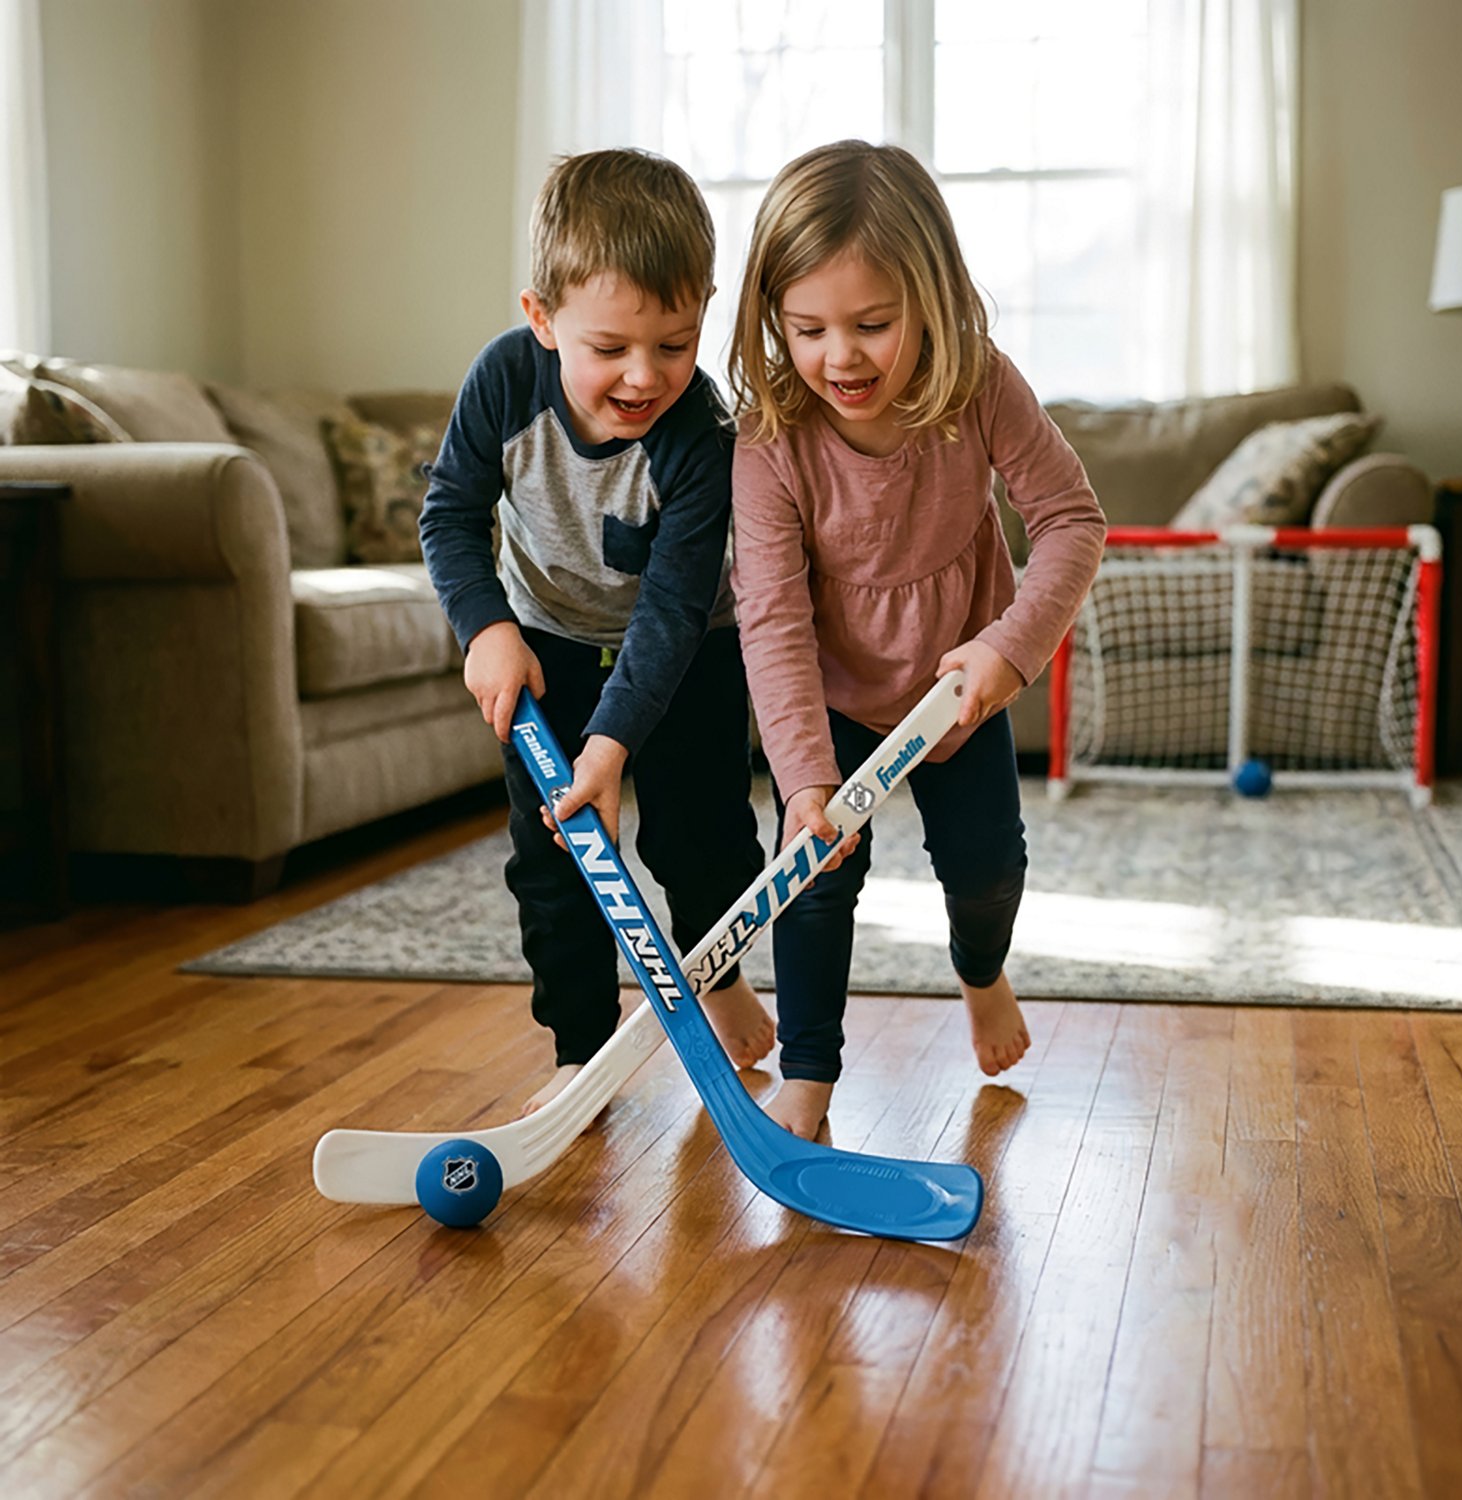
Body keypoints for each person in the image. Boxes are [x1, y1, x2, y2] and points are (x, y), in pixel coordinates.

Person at [727, 140, 1107, 1141]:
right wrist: (805, 781)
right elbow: (769, 613)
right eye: (806, 328)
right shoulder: (769, 437)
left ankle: (981, 974)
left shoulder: (978, 383)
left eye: (873, 325)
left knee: (987, 870)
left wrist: (1008, 647)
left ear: (931, 300)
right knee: (815, 884)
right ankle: (809, 1075)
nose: (840, 357)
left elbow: (1071, 518)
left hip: (958, 696)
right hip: (834, 702)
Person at [421, 148, 774, 1116]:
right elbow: (450, 513)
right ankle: (579, 1053)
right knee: (558, 860)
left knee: (705, 842)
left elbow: (672, 602)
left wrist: (615, 744)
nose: (643, 374)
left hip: (684, 655)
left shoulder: (699, 431)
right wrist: (485, 628)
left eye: (674, 342)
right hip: (547, 653)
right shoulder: (503, 383)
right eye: (611, 346)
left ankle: (719, 974)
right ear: (541, 319)